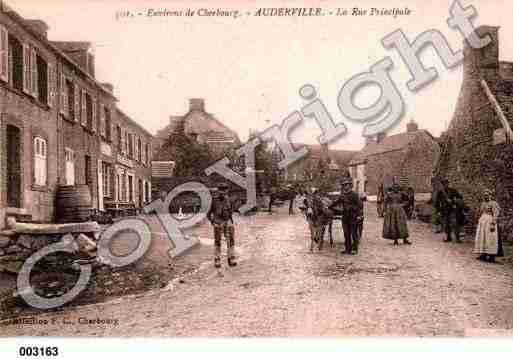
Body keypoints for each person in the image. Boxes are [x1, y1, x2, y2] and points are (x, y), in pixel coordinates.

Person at [329, 177, 363, 255]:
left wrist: (354, 209)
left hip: (353, 216)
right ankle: (347, 249)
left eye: (346, 185)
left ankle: (354, 249)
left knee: (353, 233)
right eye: (343, 185)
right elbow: (336, 202)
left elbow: (360, 205)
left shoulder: (354, 194)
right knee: (346, 233)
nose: (345, 186)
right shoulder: (342, 195)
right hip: (345, 216)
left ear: (350, 185)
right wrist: (328, 207)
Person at [207, 183, 238, 268]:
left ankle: (231, 258)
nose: (223, 193)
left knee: (231, 240)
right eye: (221, 191)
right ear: (218, 191)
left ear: (227, 191)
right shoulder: (214, 200)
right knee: (217, 241)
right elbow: (209, 213)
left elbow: (231, 211)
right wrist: (213, 221)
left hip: (228, 221)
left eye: (224, 191)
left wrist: (229, 221)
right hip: (218, 222)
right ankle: (217, 259)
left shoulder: (230, 200)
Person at [474, 189, 502, 263]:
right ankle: (483, 254)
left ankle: (491, 256)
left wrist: (493, 223)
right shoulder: (483, 203)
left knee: (490, 238)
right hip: (483, 222)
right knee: (482, 237)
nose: (485, 196)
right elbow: (480, 212)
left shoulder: (493, 203)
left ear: (490, 195)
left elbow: (496, 214)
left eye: (487, 195)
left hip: (490, 221)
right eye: (484, 195)